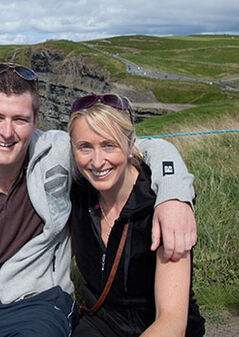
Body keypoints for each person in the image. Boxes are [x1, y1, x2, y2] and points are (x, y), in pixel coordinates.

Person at [0, 63, 197, 337]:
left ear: (36, 121)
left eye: (20, 119)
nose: (7, 132)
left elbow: (142, 149)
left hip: (35, 304)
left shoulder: (58, 155)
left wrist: (174, 195)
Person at [67, 94, 205, 337]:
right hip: (102, 322)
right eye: (85, 147)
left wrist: (176, 196)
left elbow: (172, 320)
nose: (97, 162)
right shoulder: (78, 194)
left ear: (131, 145)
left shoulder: (161, 205)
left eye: (109, 145)